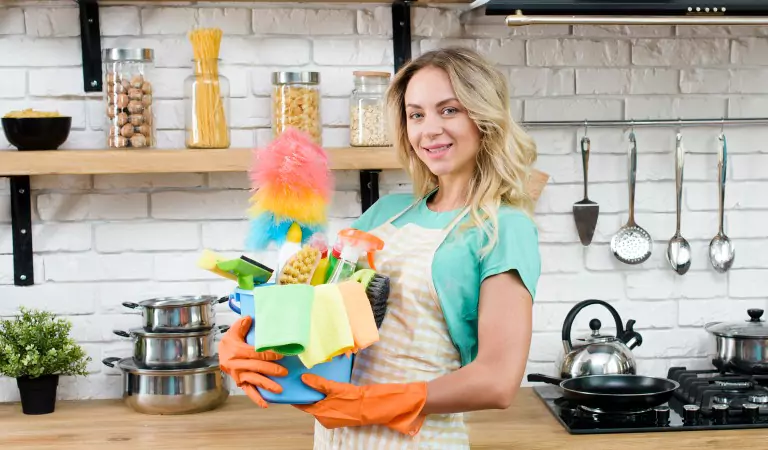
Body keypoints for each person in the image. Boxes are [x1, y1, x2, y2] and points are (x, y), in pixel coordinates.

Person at [218, 46, 542, 449]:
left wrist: (365, 405)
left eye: (449, 110)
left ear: (485, 118)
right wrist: (244, 339)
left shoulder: (502, 228)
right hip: (337, 439)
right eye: (416, 114)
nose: (430, 130)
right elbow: (313, 313)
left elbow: (497, 382)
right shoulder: (385, 214)